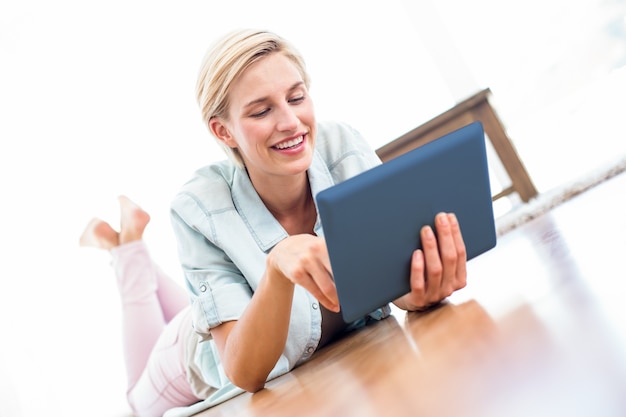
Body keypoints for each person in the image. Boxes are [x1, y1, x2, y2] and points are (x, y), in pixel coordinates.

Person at [80, 29, 468, 417]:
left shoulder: (342, 148)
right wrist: (276, 270)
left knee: (196, 303)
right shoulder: (199, 206)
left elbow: (390, 276)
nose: (290, 122)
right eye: (262, 111)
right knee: (135, 404)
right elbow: (245, 373)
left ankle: (128, 246)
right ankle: (126, 249)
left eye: (297, 98)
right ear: (223, 130)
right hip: (188, 358)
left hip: (218, 305)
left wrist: (417, 292)